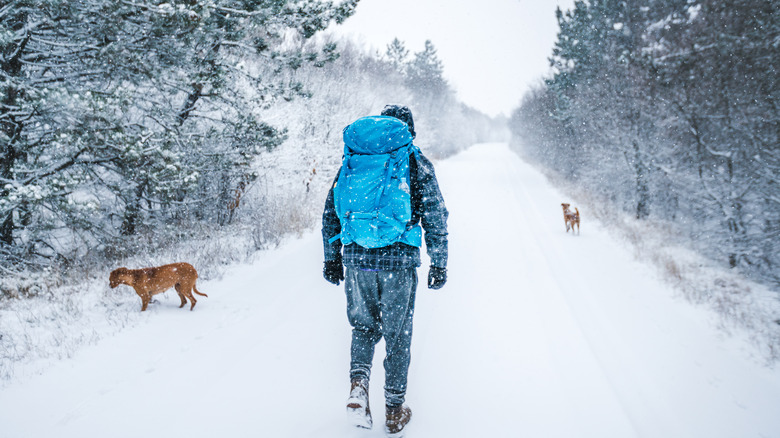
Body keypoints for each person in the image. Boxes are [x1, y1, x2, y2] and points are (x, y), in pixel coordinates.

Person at [321, 105, 448, 437]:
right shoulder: (414, 161)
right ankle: (394, 411)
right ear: (409, 131)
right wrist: (439, 261)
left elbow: (331, 211)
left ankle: (358, 386)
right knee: (398, 336)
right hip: (400, 261)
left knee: (363, 329)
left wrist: (332, 257)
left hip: (357, 259)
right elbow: (435, 214)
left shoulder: (357, 157)